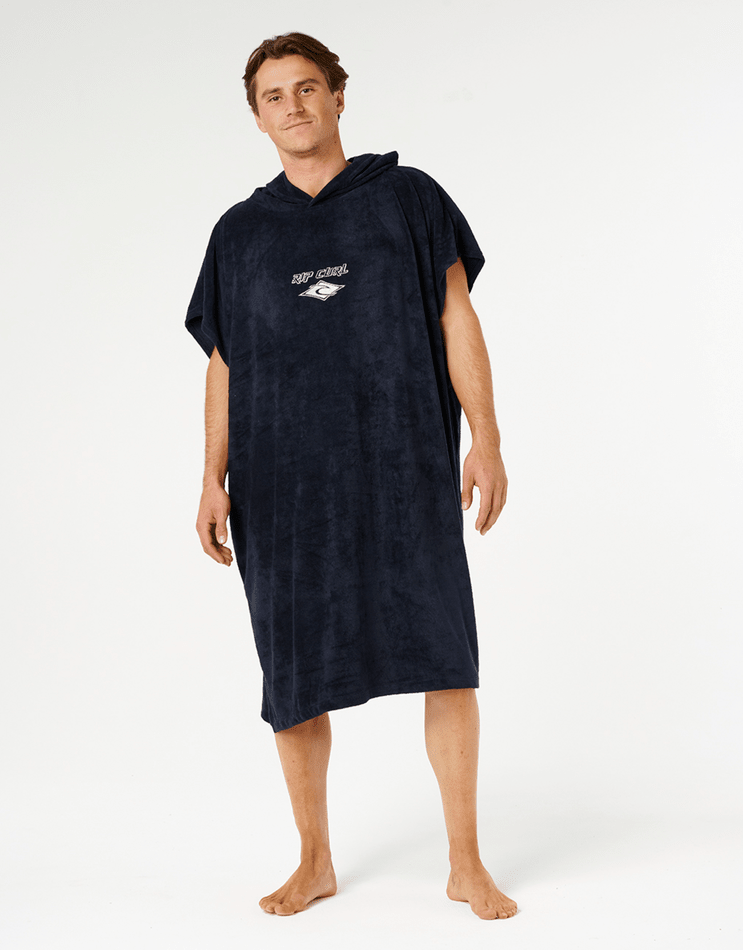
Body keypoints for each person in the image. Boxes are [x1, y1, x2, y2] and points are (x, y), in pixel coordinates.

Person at [184, 32, 515, 921]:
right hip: (283, 489)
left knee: (446, 657)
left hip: (405, 471)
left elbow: (456, 316)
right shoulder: (239, 234)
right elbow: (223, 363)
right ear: (257, 119)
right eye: (273, 96)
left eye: (306, 88)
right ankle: (315, 860)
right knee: (292, 675)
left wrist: (485, 439)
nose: (292, 106)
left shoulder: (408, 198)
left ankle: (466, 863)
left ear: (337, 97)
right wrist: (212, 475)